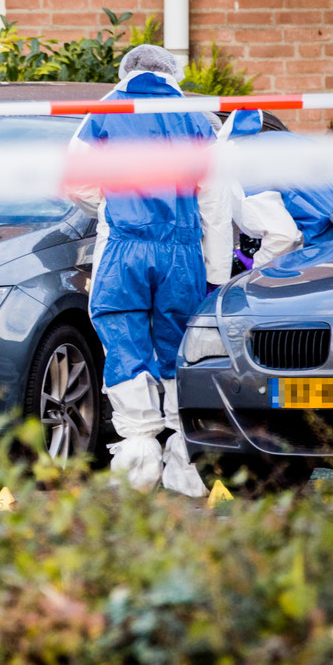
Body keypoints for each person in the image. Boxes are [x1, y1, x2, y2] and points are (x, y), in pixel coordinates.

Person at [70, 44, 231, 495]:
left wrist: (110, 204)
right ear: (172, 73)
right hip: (182, 252)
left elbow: (76, 179)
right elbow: (215, 204)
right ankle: (186, 462)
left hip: (122, 246)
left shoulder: (103, 112)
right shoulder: (198, 120)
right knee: (180, 348)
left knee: (122, 339)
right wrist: (216, 272)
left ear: (125, 71)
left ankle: (138, 460)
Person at [217, 109, 333, 268]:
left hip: (321, 256)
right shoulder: (277, 140)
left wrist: (254, 275)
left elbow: (282, 237)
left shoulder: (238, 168)